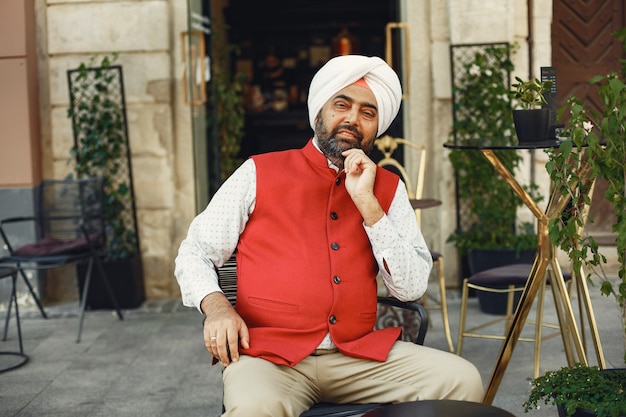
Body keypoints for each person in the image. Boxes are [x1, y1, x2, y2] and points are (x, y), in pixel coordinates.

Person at [175, 54, 483, 417]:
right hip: (270, 357)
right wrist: (217, 309)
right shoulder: (258, 172)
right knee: (255, 409)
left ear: (376, 127)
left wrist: (368, 203)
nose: (353, 118)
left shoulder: (388, 189)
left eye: (368, 113)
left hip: (359, 355)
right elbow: (195, 251)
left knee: (463, 380)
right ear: (319, 111)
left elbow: (411, 287)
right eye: (342, 104)